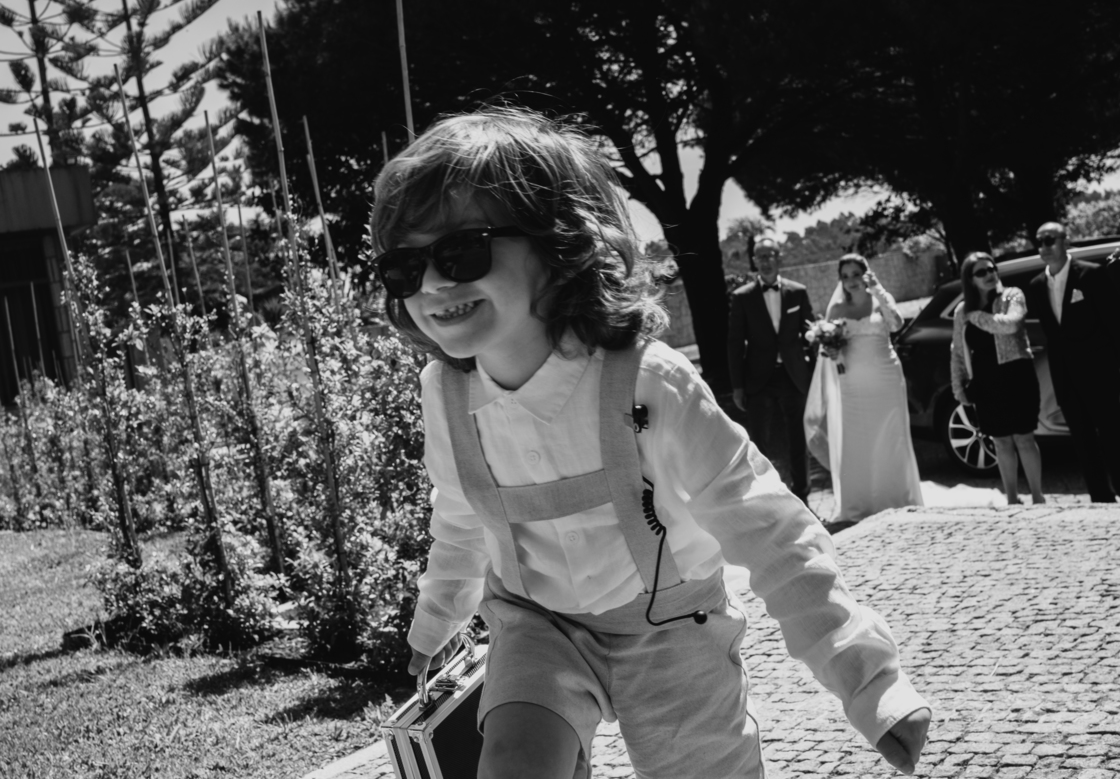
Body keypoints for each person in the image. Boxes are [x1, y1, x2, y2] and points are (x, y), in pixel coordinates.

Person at [370, 107, 930, 779]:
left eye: (461, 252)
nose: (433, 283)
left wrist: (867, 679)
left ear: (558, 245)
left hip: (672, 626)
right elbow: (462, 518)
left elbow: (768, 525)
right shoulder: (445, 393)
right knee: (513, 764)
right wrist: (436, 620)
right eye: (405, 267)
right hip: (536, 624)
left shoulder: (647, 380)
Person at [1025, 222, 1120, 503]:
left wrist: (1110, 364)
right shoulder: (1037, 285)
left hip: (1100, 372)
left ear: (1065, 241)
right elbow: (1053, 334)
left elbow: (1116, 323)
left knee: (1112, 434)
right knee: (1081, 438)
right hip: (1065, 377)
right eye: (1039, 242)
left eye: (1050, 240)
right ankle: (1100, 497)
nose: (1044, 247)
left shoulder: (1091, 274)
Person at [805, 254, 923, 524]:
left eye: (856, 274)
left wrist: (878, 290)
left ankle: (898, 496)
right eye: (845, 276)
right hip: (852, 384)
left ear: (866, 274)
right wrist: (831, 350)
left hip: (886, 379)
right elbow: (827, 352)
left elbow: (896, 324)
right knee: (857, 440)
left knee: (891, 436)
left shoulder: (880, 300)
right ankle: (860, 503)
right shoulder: (836, 309)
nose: (851, 281)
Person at [950, 252, 1046, 505]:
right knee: (1001, 441)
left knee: (1024, 438)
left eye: (992, 269)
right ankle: (1012, 499)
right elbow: (957, 351)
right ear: (970, 279)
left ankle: (1038, 497)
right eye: (981, 272)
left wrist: (975, 316)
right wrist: (958, 386)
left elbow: (1010, 325)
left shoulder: (1012, 296)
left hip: (1017, 376)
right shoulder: (962, 311)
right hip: (985, 381)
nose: (989, 275)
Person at [727, 237, 816, 500]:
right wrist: (737, 387)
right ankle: (769, 501)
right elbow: (734, 344)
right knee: (760, 445)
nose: (765, 261)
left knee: (799, 440)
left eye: (770, 255)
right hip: (758, 380)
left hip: (793, 377)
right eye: (760, 256)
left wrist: (814, 375)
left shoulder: (798, 292)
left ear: (780, 258)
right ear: (754, 261)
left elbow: (810, 334)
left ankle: (803, 497)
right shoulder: (742, 297)